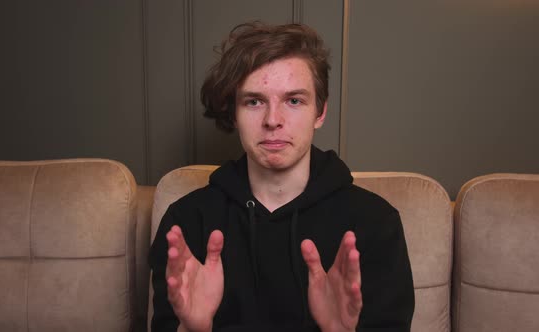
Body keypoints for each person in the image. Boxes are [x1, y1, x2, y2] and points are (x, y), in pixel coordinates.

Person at [149, 22, 414, 332]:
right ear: (234, 113)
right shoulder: (187, 222)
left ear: (320, 112)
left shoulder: (375, 222)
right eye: (254, 101)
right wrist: (193, 329)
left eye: (294, 101)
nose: (273, 120)